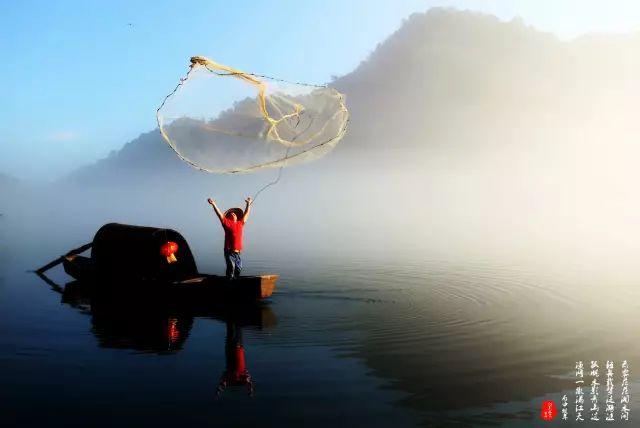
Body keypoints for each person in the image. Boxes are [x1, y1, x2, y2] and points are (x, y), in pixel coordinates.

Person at [207, 197, 252, 280]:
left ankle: (234, 281)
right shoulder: (226, 223)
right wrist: (213, 204)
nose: (233, 214)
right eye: (231, 213)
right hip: (229, 251)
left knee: (239, 268)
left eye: (234, 213)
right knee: (231, 268)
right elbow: (219, 214)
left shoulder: (240, 223)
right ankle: (229, 282)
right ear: (228, 216)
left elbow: (246, 214)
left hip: (238, 252)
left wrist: (248, 204)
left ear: (237, 216)